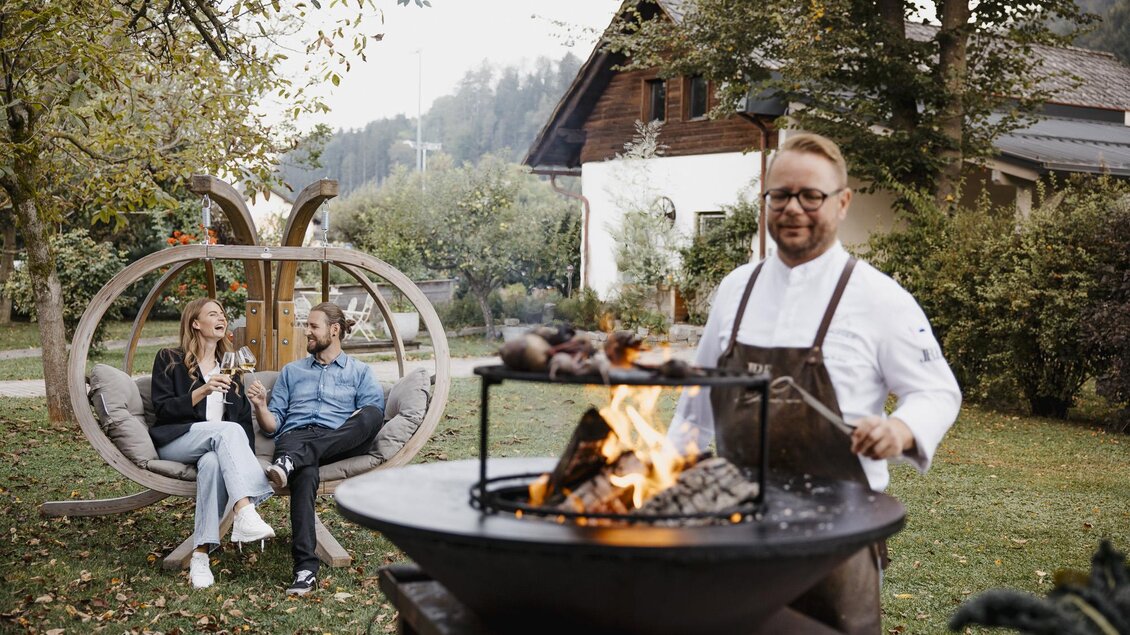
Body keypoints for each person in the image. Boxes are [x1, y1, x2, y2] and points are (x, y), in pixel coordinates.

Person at [671, 132, 961, 633]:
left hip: (837, 538)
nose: (793, 209)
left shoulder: (878, 297)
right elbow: (697, 401)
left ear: (843, 202)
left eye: (811, 196)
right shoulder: (735, 290)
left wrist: (901, 429)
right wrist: (670, 477)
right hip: (733, 528)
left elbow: (937, 391)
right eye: (780, 195)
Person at [247, 302, 385, 596]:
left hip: (337, 439)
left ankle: (290, 462)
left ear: (334, 331)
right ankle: (305, 568)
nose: (305, 332)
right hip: (294, 436)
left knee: (373, 413)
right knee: (305, 475)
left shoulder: (359, 372)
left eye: (312, 326)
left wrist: (345, 426)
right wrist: (260, 406)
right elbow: (273, 427)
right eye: (306, 326)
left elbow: (370, 416)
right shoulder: (292, 372)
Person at [150, 298, 276, 589]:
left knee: (212, 463)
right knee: (225, 431)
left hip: (212, 449)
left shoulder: (231, 369)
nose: (221, 318)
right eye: (212, 314)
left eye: (222, 313)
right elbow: (163, 410)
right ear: (195, 323)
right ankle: (245, 509)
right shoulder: (169, 358)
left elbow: (242, 425)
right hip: (177, 441)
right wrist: (203, 390)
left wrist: (258, 405)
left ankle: (200, 556)